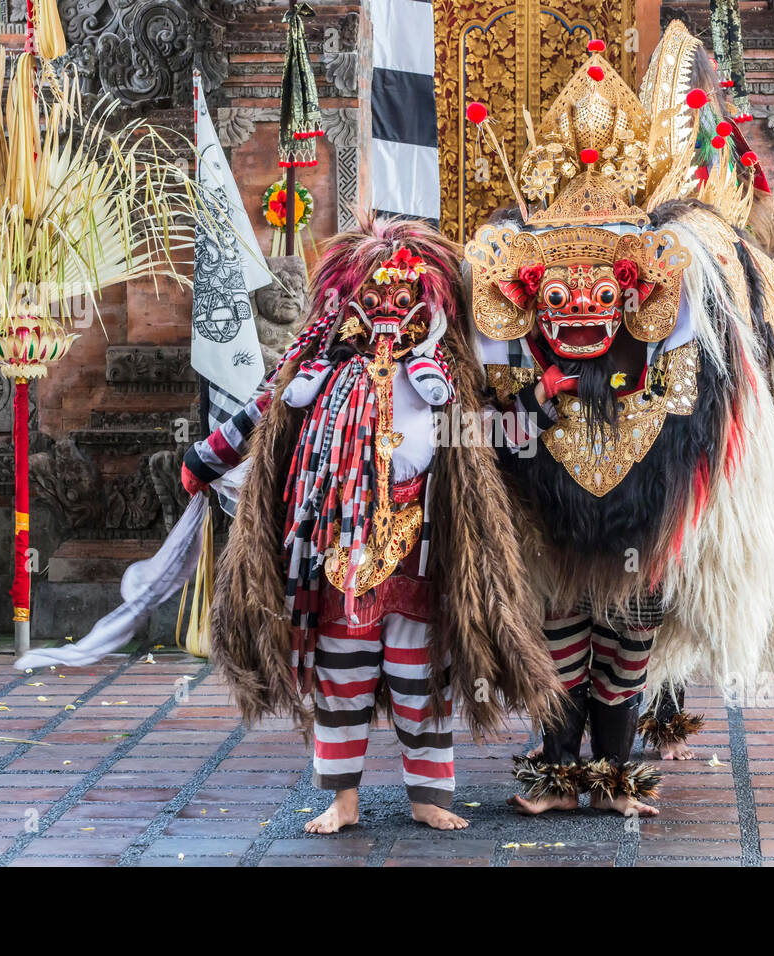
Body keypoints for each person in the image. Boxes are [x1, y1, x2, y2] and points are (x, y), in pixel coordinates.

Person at [465, 23, 774, 817]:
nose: (578, 312)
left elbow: (686, 393)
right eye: (560, 296)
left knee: (631, 625)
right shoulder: (512, 334)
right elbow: (494, 407)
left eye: (601, 296)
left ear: (637, 292)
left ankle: (613, 768)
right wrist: (524, 402)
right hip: (550, 488)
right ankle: (555, 760)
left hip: (647, 491)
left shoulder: (679, 333)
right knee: (561, 619)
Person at [184, 216, 563, 832]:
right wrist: (204, 458)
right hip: (341, 546)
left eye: (404, 296)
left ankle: (429, 797)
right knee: (342, 676)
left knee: (422, 678)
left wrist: (541, 401)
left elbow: (491, 432)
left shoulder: (446, 375)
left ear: (428, 300)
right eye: (376, 295)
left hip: (422, 546)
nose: (389, 308)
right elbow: (263, 411)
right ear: (350, 297)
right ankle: (342, 799)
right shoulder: (320, 367)